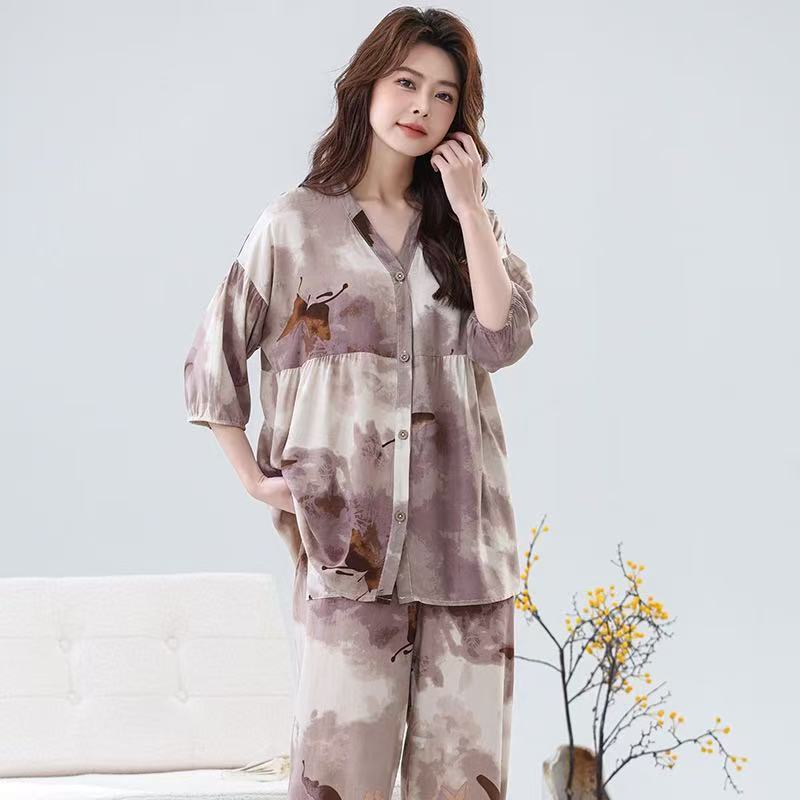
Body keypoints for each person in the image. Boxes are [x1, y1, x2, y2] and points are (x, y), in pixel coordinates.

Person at [183, 7, 538, 799]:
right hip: (350, 558)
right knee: (338, 783)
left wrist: (469, 207)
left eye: (444, 95)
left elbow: (503, 338)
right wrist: (253, 479)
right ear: (368, 85)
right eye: (407, 83)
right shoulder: (295, 226)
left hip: (467, 557)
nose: (422, 106)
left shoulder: (467, 229)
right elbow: (212, 356)